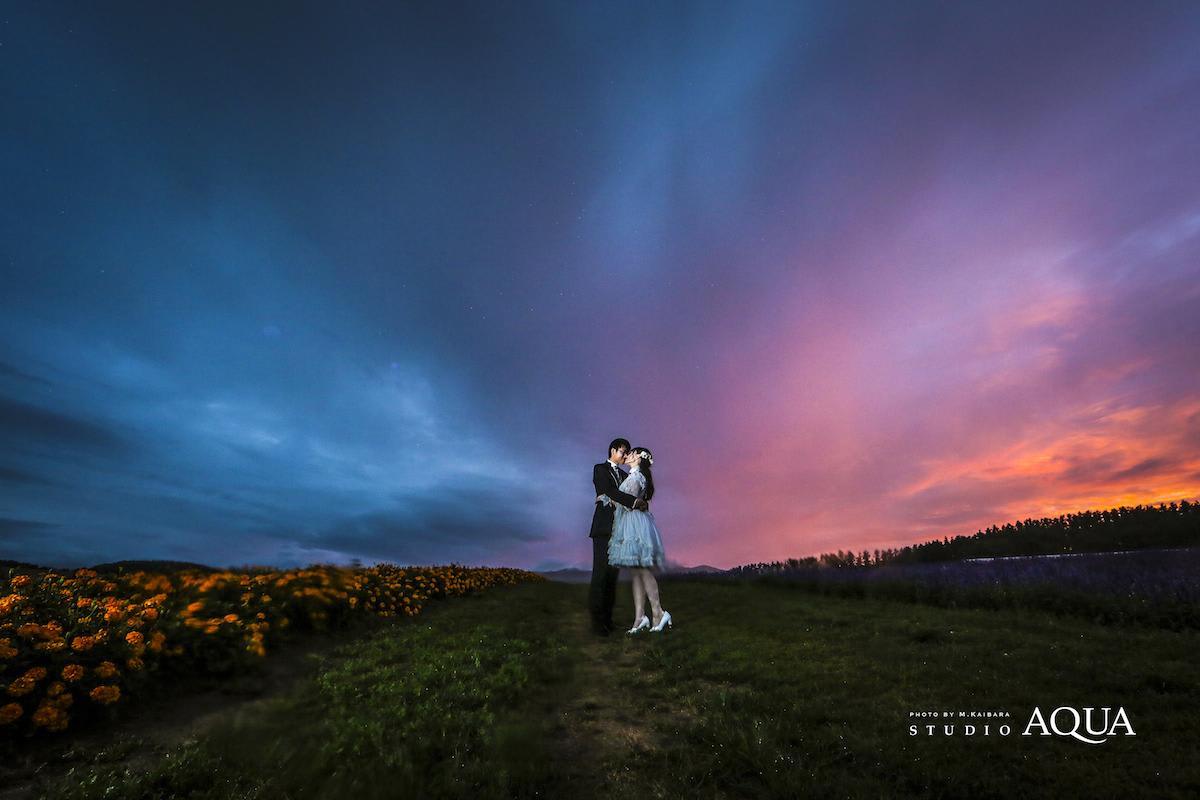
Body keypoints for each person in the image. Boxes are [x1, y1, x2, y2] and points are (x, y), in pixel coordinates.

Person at [598, 446, 671, 633]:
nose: (628, 455)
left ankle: (659, 612)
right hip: (628, 523)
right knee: (636, 573)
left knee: (643, 570)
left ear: (639, 458)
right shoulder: (632, 476)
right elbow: (625, 499)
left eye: (632, 453)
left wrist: (608, 498)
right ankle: (640, 618)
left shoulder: (637, 477)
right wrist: (609, 498)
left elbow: (627, 501)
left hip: (634, 525)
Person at [589, 438, 649, 636]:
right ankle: (597, 624)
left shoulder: (625, 475)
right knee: (600, 575)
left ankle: (608, 620)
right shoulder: (600, 469)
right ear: (613, 450)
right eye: (623, 451)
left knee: (612, 577)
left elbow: (634, 489)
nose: (625, 456)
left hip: (621, 530)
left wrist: (642, 500)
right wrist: (634, 502)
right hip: (603, 528)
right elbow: (609, 491)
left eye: (627, 453)